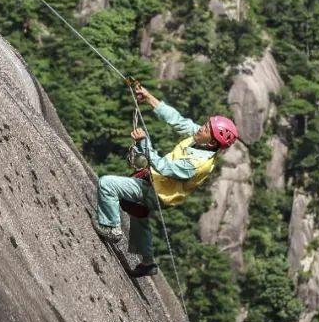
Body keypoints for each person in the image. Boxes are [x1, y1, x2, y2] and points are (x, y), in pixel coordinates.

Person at [95, 83, 239, 277]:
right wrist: (149, 98)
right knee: (138, 216)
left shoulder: (199, 163)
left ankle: (111, 228)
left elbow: (162, 166)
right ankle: (148, 263)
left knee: (107, 184)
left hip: (157, 191)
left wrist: (143, 142)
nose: (201, 128)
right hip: (158, 187)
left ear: (212, 141)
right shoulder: (202, 140)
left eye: (205, 128)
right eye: (205, 125)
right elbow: (178, 120)